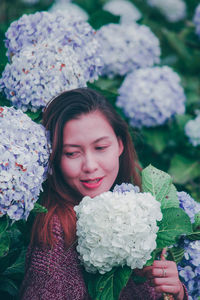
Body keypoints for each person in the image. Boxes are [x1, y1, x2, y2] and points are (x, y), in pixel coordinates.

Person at [20, 88, 188, 300]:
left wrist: (177, 293)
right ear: (55, 158)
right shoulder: (57, 233)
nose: (90, 166)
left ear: (120, 144)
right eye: (72, 153)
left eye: (100, 147)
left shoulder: (145, 208)